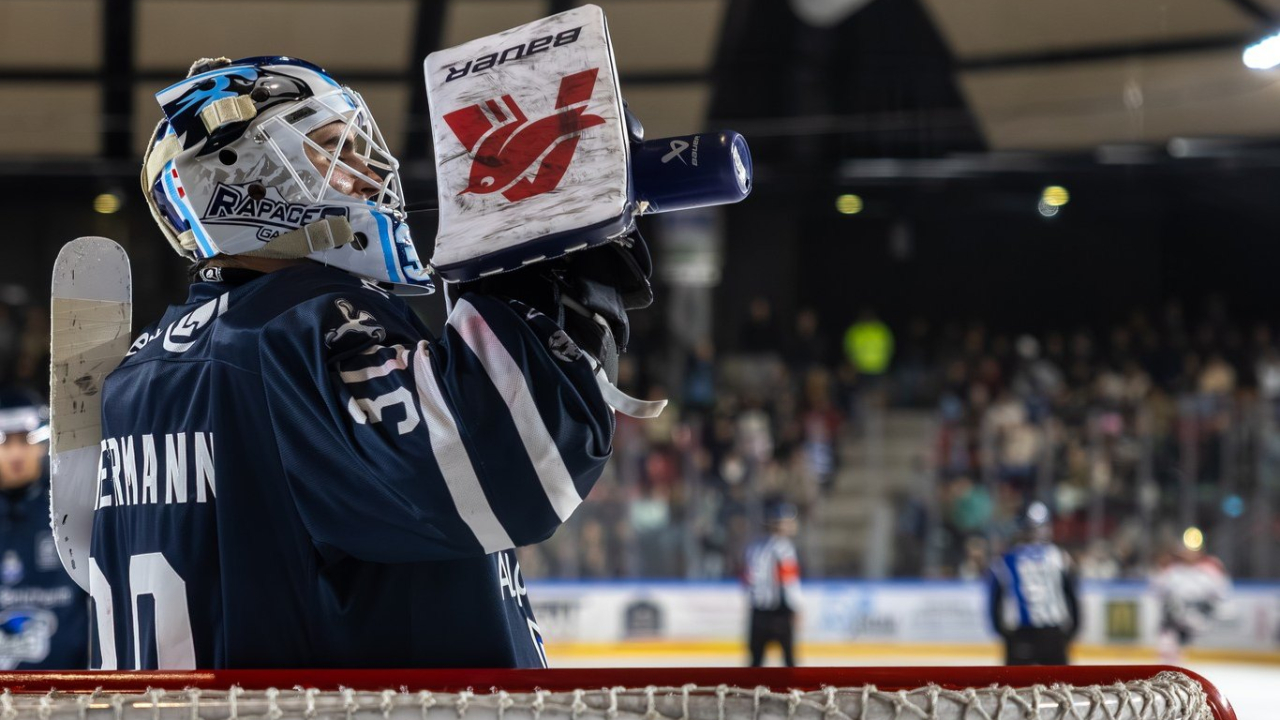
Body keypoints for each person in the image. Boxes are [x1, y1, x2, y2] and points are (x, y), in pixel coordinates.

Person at [88, 56, 646, 669]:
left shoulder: (141, 369)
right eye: (331, 149)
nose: (368, 171)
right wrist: (559, 279)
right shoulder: (296, 328)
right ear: (243, 183)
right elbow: (513, 468)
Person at [0, 387, 88, 669]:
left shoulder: (72, 509)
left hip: (68, 694)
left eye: (25, 440)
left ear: (43, 443)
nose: (15, 454)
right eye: (4, 442)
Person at [987, 502, 1080, 665]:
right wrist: (1072, 630)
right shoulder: (1059, 556)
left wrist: (1003, 632)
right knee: (1058, 687)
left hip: (1020, 634)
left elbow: (995, 599)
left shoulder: (1006, 559)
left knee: (1016, 688)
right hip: (1052, 633)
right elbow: (1071, 594)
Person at [1151, 530, 1231, 664]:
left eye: (1193, 550)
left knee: (1190, 621)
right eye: (1186, 550)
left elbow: (1222, 594)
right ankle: (1171, 664)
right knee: (1168, 634)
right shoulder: (1172, 569)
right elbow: (1156, 591)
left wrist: (1206, 608)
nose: (1189, 554)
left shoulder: (1210, 568)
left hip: (1201, 617)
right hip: (1176, 618)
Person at [743, 501, 802, 667]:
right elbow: (789, 581)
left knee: (755, 664)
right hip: (779, 612)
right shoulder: (784, 548)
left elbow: (747, 580)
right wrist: (796, 607)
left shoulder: (753, 546)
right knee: (789, 663)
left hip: (758, 612)